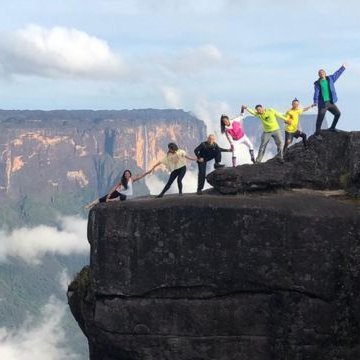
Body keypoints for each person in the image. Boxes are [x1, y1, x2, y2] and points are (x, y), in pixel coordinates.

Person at [84, 169, 150, 209]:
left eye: (128, 173)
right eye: (125, 174)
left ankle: (110, 200)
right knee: (102, 199)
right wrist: (110, 194)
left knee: (122, 198)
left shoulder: (131, 180)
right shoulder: (122, 181)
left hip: (122, 194)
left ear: (130, 174)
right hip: (117, 192)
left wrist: (148, 172)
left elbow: (141, 176)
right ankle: (90, 205)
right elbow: (115, 187)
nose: (127, 174)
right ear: (124, 175)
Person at [313, 64, 346, 140]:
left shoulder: (330, 79)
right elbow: (316, 93)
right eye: (320, 73)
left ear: (325, 73)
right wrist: (315, 101)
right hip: (323, 104)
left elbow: (337, 74)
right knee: (320, 119)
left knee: (337, 114)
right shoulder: (317, 83)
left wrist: (343, 67)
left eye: (322, 72)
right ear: (319, 75)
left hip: (330, 102)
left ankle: (332, 128)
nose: (321, 74)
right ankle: (317, 134)